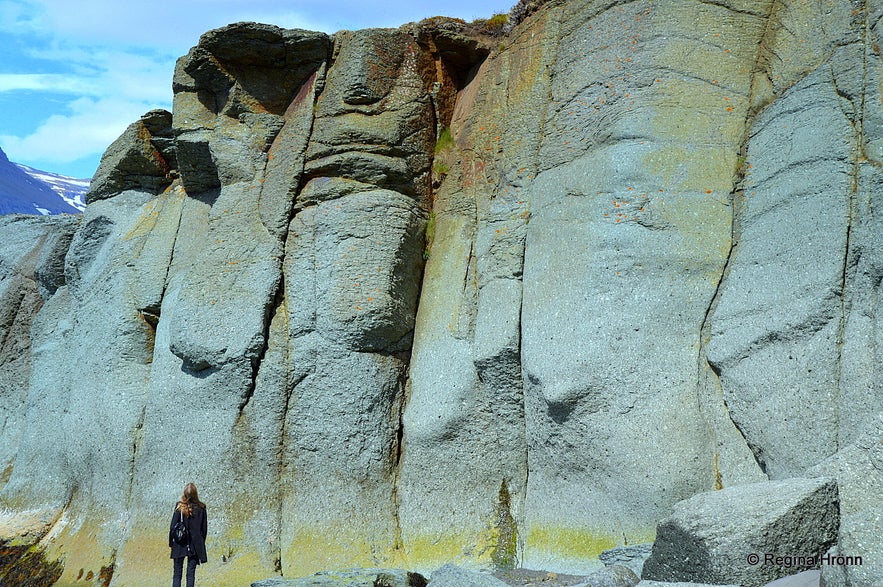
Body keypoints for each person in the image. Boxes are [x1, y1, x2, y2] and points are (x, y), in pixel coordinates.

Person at [169, 482, 207, 587]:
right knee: (191, 573)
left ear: (184, 493)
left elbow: (172, 527)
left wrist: (171, 543)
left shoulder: (179, 507)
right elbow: (204, 530)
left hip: (179, 543)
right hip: (195, 544)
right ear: (196, 494)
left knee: (177, 573)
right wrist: (201, 544)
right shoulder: (201, 508)